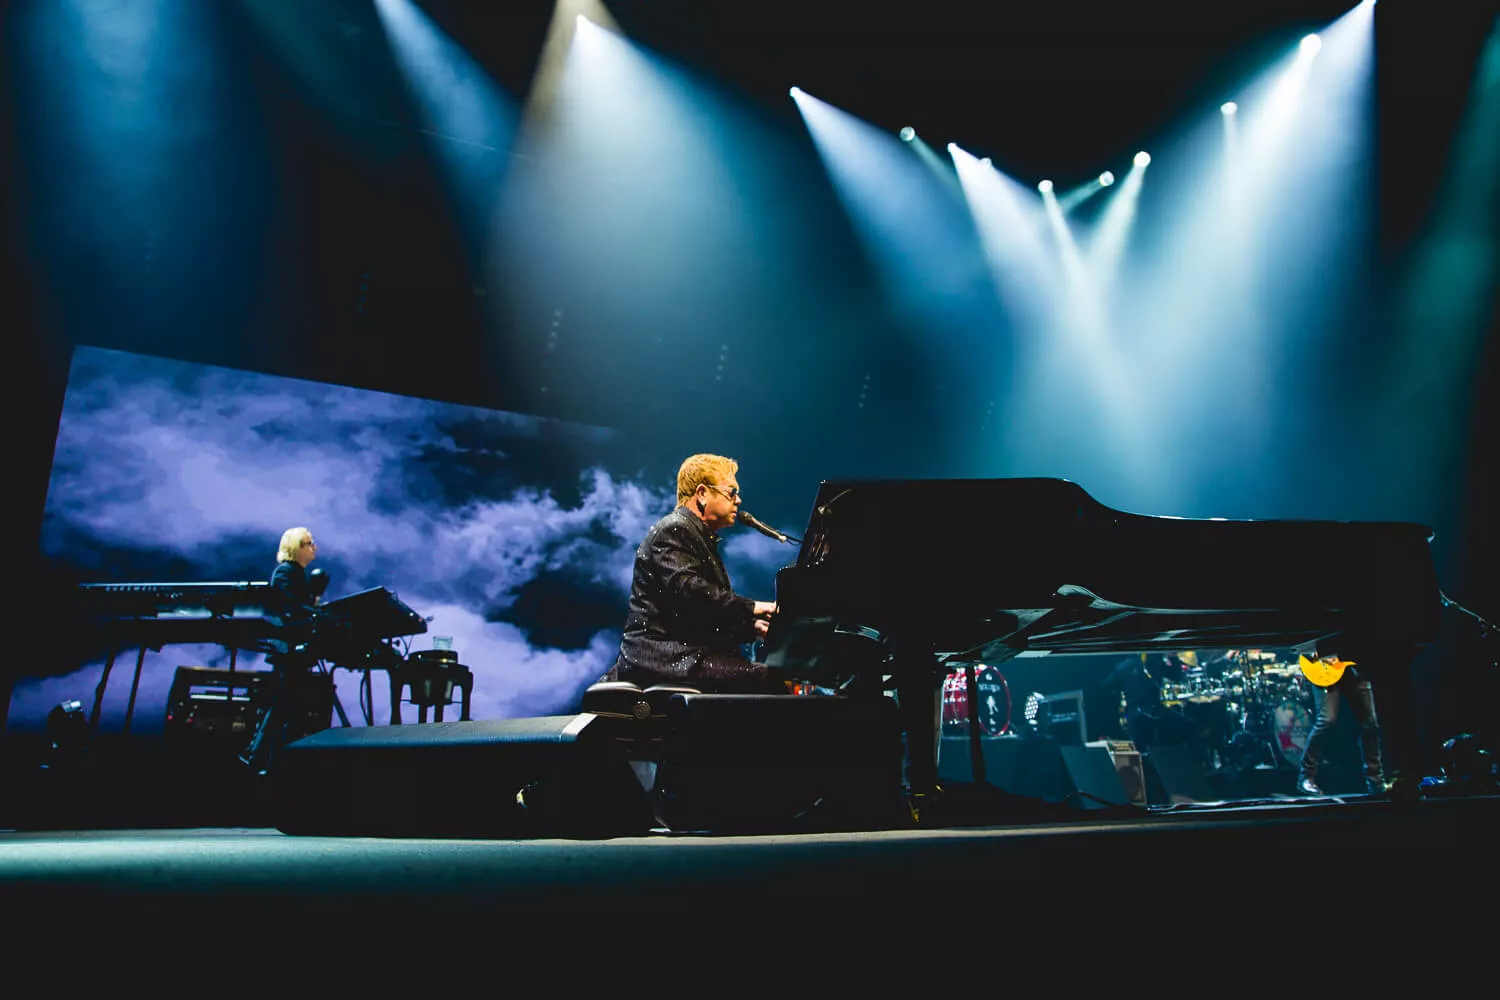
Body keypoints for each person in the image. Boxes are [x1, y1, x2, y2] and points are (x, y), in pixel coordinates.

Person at [609, 454, 779, 692]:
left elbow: (696, 616)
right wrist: (754, 607)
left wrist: (751, 628)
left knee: (766, 676)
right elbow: (690, 592)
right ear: (702, 493)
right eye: (731, 492)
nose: (738, 500)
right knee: (769, 678)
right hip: (661, 658)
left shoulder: (695, 535)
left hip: (681, 654)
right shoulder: (674, 529)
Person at [241, 527, 324, 770]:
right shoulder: (286, 572)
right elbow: (288, 606)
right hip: (287, 650)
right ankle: (258, 757)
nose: (314, 547)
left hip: (295, 649)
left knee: (289, 705)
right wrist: (315, 611)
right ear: (296, 547)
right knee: (283, 704)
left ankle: (270, 758)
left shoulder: (298, 574)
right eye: (309, 543)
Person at [1297, 652, 1386, 796]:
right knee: (1326, 720)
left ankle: (1376, 781)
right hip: (1324, 667)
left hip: (1354, 667)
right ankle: (1306, 776)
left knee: (1370, 723)